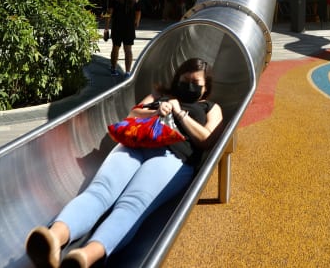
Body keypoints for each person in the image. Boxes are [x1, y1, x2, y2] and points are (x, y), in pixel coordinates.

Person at [25, 58, 223, 268]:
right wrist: (157, 110)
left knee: (132, 204)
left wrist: (180, 114)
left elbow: (207, 139)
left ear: (205, 88)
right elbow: (133, 113)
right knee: (99, 191)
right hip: (135, 144)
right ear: (177, 79)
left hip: (172, 156)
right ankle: (54, 239)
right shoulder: (161, 95)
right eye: (185, 81)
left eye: (195, 84)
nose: (189, 87)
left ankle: (86, 256)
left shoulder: (210, 107)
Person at [105, 0, 141, 76]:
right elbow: (138, 12)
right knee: (128, 49)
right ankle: (128, 72)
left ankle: (113, 69)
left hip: (117, 26)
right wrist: (136, 22)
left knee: (115, 48)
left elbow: (109, 14)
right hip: (129, 27)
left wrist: (106, 28)